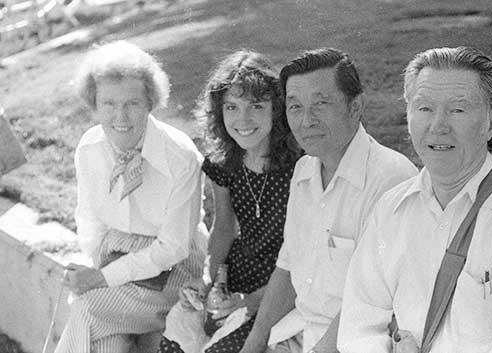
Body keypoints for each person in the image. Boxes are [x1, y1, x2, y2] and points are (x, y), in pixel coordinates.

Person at [338, 47, 492, 353]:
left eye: (457, 110)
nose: (438, 126)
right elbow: (359, 326)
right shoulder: (390, 210)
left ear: (490, 123)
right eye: (424, 108)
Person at [240, 48, 418, 353]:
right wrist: (252, 346)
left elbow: (376, 302)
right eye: (295, 107)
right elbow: (287, 266)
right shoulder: (304, 170)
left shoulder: (391, 178)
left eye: (320, 104)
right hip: (304, 332)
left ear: (355, 107)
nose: (306, 120)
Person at [55, 41, 206, 353]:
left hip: (172, 271)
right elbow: (89, 221)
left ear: (150, 102)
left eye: (132, 103)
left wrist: (102, 278)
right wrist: (99, 268)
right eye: (108, 104)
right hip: (115, 261)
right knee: (109, 345)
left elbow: (174, 247)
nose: (120, 116)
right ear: (94, 105)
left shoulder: (180, 156)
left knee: (87, 310)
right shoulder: (89, 147)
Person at [157, 50, 302, 353]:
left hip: (284, 283)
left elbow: (302, 255)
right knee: (174, 343)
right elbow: (223, 226)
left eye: (256, 106)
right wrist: (207, 279)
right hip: (239, 272)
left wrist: (247, 303)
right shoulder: (224, 162)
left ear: (276, 109)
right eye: (231, 107)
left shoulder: (298, 164)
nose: (243, 119)